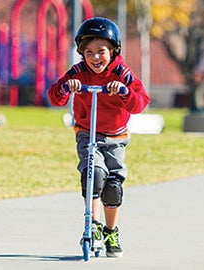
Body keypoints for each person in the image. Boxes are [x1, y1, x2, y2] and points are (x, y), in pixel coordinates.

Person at [47, 17, 150, 258]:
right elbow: (55, 97)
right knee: (94, 175)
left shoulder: (122, 74)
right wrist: (65, 88)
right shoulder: (78, 72)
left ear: (113, 51)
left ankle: (111, 231)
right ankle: (91, 225)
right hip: (87, 133)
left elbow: (140, 103)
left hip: (116, 137)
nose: (95, 58)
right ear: (81, 53)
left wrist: (124, 92)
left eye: (101, 52)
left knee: (113, 187)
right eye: (89, 52)